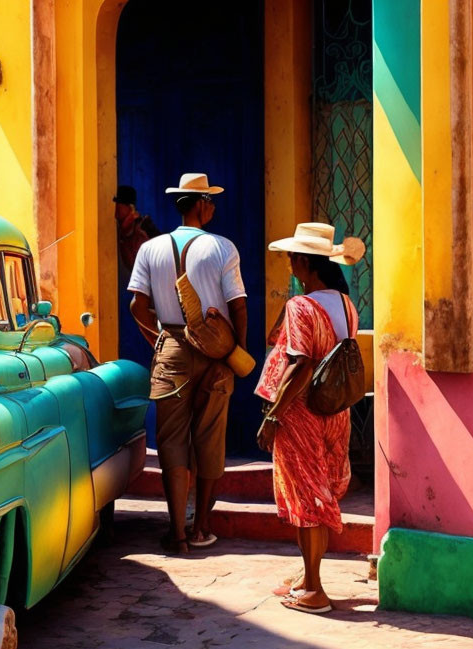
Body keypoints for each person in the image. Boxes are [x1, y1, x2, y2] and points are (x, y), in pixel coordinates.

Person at [128, 172, 248, 554]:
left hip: (172, 350)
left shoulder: (151, 249)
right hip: (216, 352)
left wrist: (159, 339)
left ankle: (177, 533)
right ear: (199, 205)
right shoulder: (222, 247)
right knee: (210, 437)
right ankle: (203, 527)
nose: (212, 207)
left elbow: (137, 306)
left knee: (172, 442)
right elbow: (238, 305)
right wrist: (234, 351)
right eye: (210, 201)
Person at [254, 222, 366, 614]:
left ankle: (315, 589)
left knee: (307, 499)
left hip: (301, 411)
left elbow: (300, 365)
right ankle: (307, 576)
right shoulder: (346, 304)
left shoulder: (302, 306)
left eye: (291, 258)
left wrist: (273, 415)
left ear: (304, 261)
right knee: (318, 492)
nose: (288, 263)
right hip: (335, 410)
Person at [114, 185, 162, 274]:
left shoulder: (144, 228)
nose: (116, 207)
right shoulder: (115, 229)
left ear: (130, 207)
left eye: (120, 203)